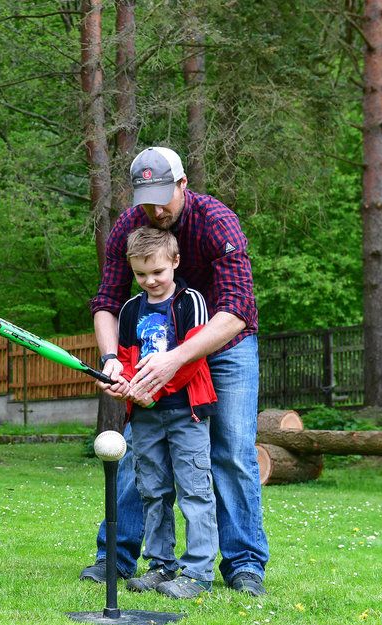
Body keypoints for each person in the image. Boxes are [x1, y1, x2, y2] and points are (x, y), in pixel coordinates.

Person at [80, 146, 268, 596]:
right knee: (139, 451)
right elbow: (107, 301)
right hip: (154, 346)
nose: (156, 209)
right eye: (147, 200)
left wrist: (178, 357)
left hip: (224, 345)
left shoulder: (216, 221)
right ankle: (117, 559)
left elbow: (238, 309)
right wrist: (111, 360)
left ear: (183, 185)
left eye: (165, 196)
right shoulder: (130, 226)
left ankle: (243, 564)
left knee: (232, 452)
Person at [110, 226, 218, 599]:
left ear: (174, 262)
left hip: (185, 413)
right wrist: (122, 383)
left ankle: (198, 571)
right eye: (141, 274)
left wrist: (152, 389)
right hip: (145, 417)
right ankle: (160, 565)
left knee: (195, 490)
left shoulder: (191, 301)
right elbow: (126, 361)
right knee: (153, 491)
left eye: (157, 272)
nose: (150, 280)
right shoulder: (129, 310)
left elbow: (191, 356)